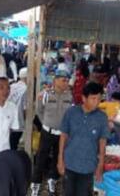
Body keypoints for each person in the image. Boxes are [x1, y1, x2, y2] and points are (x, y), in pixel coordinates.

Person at [57, 81, 108, 196]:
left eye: (99, 99)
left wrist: (100, 165)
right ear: (84, 98)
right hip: (69, 163)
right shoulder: (71, 112)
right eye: (93, 98)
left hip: (88, 167)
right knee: (68, 193)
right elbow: (63, 135)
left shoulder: (102, 117)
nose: (97, 102)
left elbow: (102, 141)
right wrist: (60, 159)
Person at [31, 65, 73, 196]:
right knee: (40, 159)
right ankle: (35, 186)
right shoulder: (45, 95)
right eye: (63, 80)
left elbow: (70, 114)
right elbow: (39, 111)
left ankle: (52, 182)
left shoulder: (69, 96)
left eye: (67, 80)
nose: (66, 83)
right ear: (55, 80)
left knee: (57, 159)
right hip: (47, 133)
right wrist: (46, 123)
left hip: (61, 135)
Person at [8, 67, 28, 151]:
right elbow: (25, 109)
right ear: (27, 78)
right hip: (18, 120)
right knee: (14, 144)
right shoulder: (26, 89)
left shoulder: (11, 86)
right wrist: (26, 121)